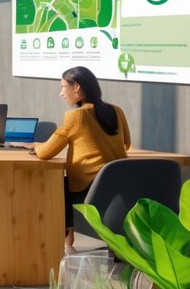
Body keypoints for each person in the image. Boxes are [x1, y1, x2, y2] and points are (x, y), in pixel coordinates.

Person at [33, 66, 130, 253]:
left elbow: (46, 152)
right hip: (120, 185)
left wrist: (35, 146)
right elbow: (126, 143)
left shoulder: (75, 117)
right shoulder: (116, 111)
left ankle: (66, 236)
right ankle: (69, 236)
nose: (61, 93)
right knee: (65, 184)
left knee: (57, 185)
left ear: (76, 87)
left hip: (91, 189)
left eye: (63, 87)